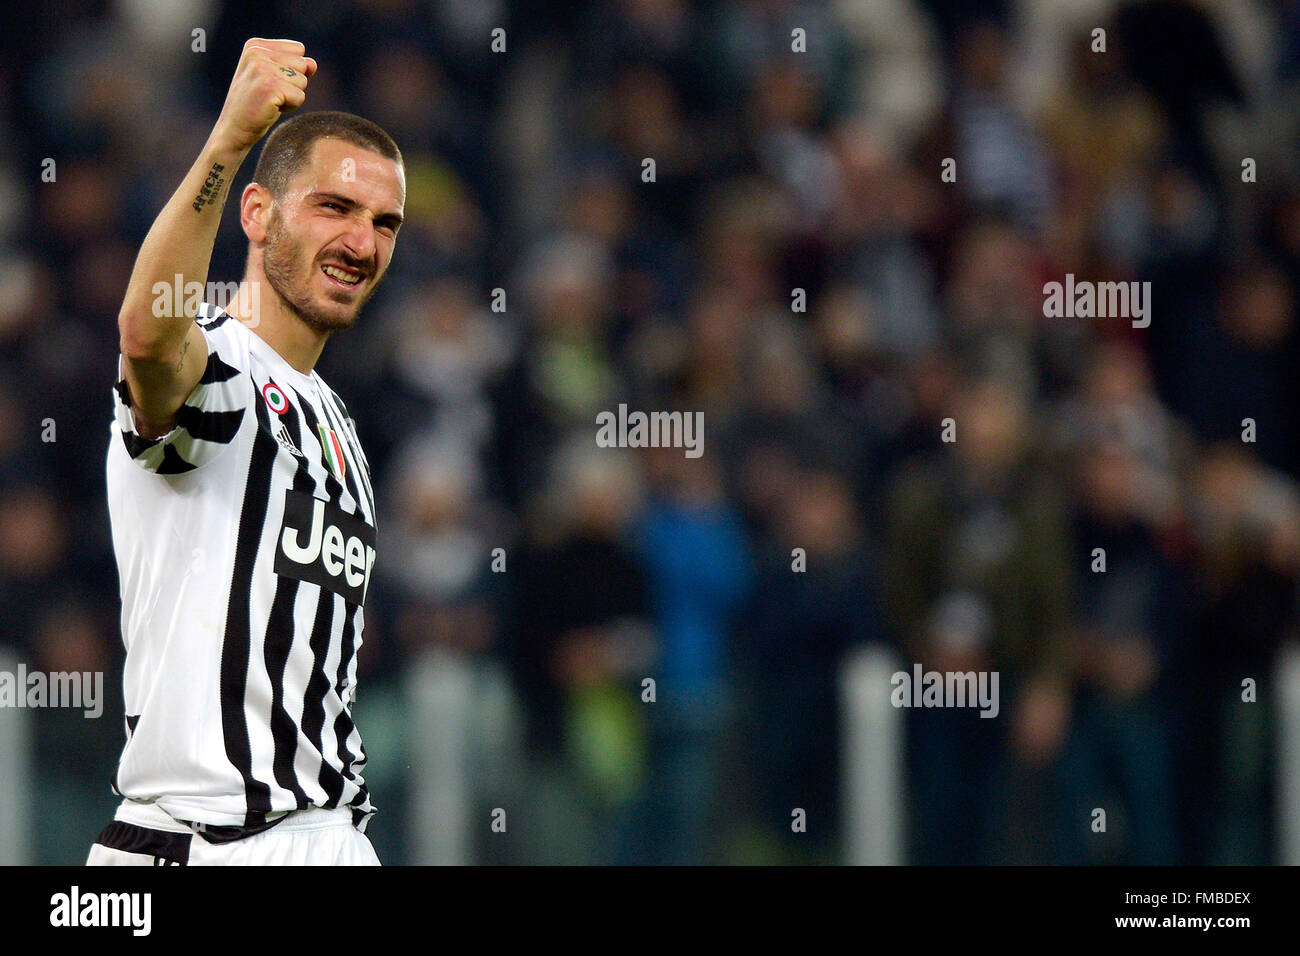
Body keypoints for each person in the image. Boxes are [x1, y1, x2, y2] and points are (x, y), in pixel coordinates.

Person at [87, 38, 405, 865]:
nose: (362, 244)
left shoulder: (336, 421)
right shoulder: (221, 371)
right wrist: (228, 141)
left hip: (325, 834)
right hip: (202, 839)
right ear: (257, 212)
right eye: (334, 208)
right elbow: (148, 338)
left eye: (383, 223)